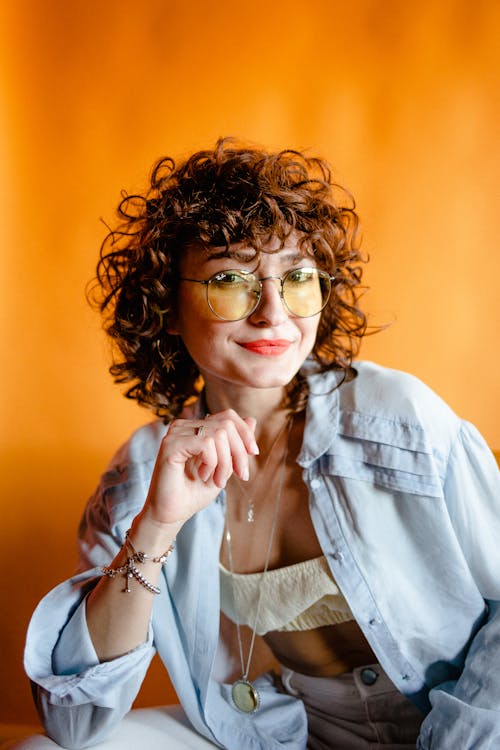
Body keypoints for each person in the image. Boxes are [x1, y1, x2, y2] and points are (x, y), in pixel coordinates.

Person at [25, 138, 500, 750]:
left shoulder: (400, 421)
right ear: (168, 305)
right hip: (295, 730)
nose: (274, 313)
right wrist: (156, 524)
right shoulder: (144, 474)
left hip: (470, 720)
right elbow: (72, 719)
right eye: (230, 279)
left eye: (298, 278)